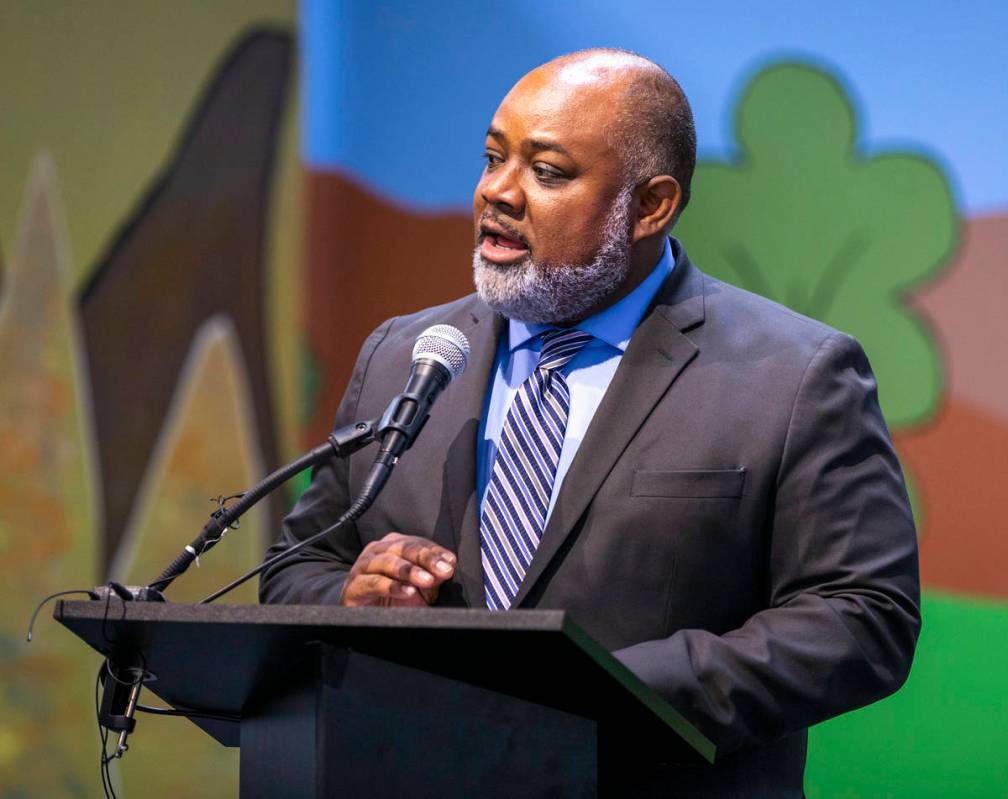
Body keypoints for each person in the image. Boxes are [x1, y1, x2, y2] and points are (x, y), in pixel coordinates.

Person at [260, 49, 920, 795]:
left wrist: (608, 692)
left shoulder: (795, 375)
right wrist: (352, 596)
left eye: (547, 172)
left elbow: (863, 616)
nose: (497, 193)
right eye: (491, 157)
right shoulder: (403, 356)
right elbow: (293, 570)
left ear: (650, 206)